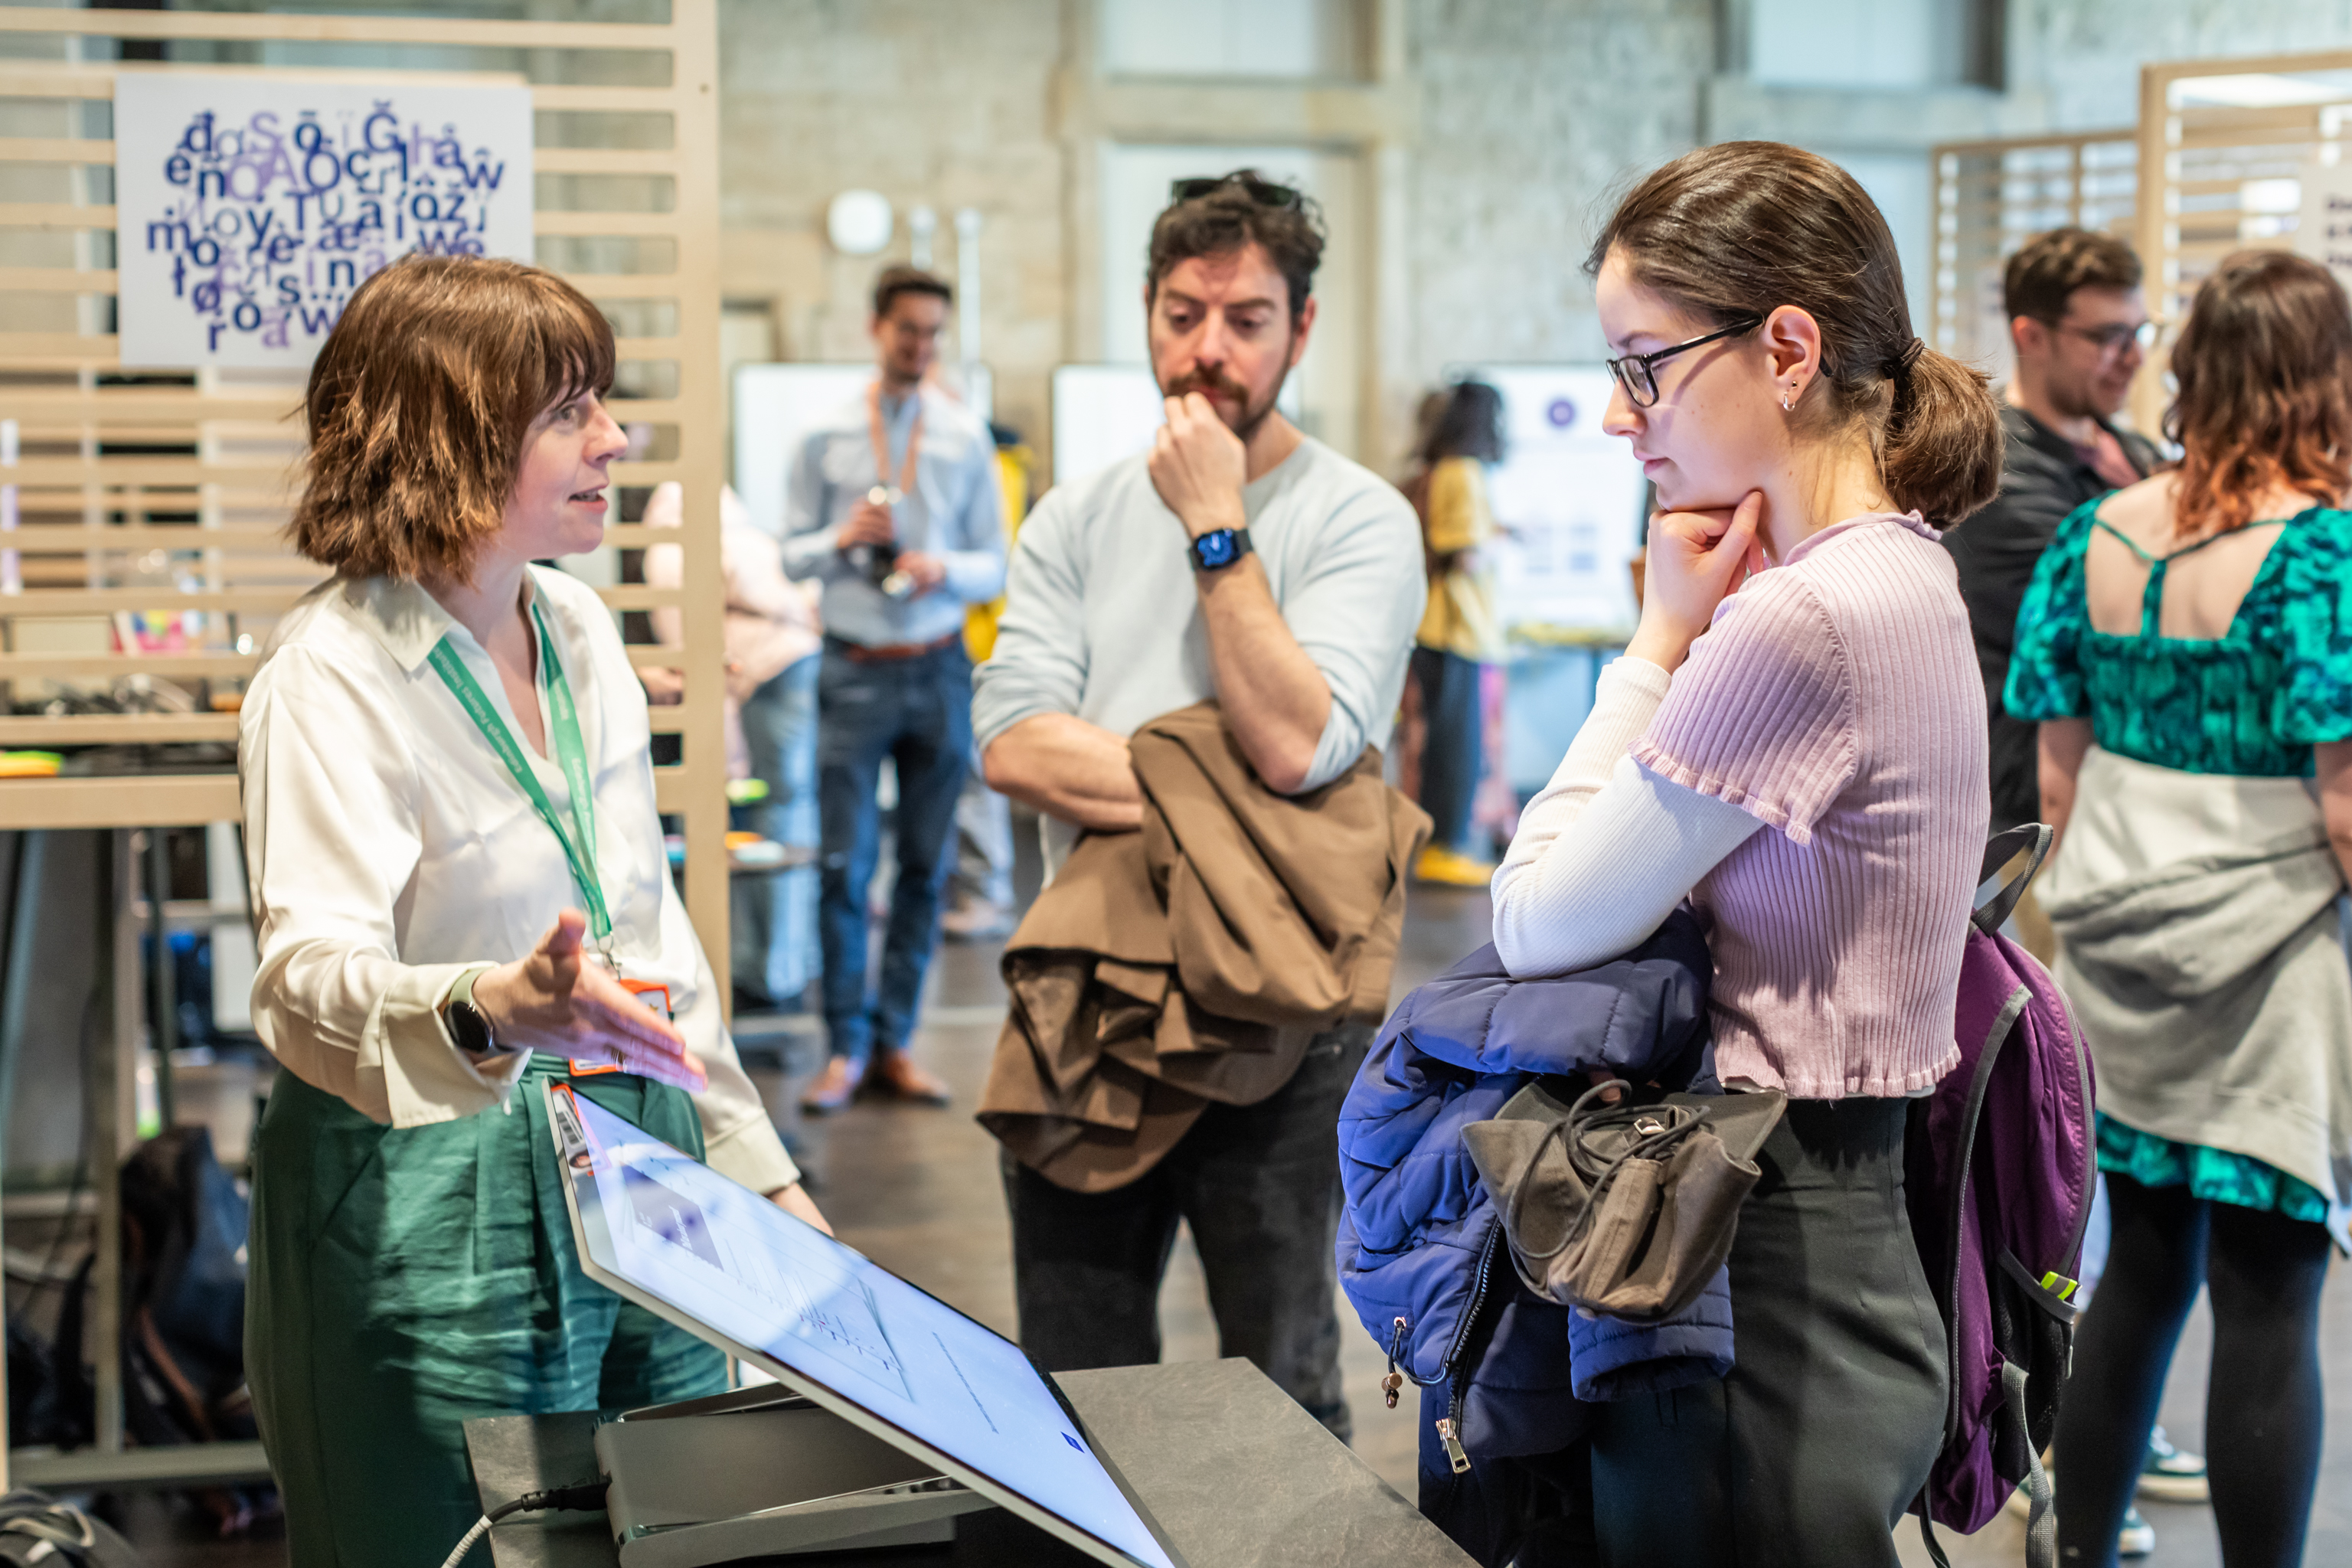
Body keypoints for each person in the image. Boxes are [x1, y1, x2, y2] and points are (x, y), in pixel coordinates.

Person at [237, 255, 828, 1568]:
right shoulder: (327, 674)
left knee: (674, 1521)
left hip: (641, 1146)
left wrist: (763, 1172)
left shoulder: (579, 630)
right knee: (450, 1536)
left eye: (601, 402)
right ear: (442, 433)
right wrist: (488, 1003)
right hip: (431, 1189)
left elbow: (650, 943)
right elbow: (299, 979)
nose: (614, 439)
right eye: (568, 410)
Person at [1490, 142, 2002, 1563]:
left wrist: (1654, 639)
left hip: (1758, 1250)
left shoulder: (1798, 619)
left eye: (1646, 363)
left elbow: (1537, 915)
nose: (1617, 412)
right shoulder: (1900, 566)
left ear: (1785, 346)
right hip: (1829, 1221)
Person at [972, 169, 1424, 1437]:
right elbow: (1010, 740)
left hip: (1279, 1016)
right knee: (1071, 1390)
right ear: (1146, 311)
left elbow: (1293, 744)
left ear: (1303, 328)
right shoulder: (1074, 513)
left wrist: (1218, 525)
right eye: (1182, 313)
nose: (1206, 350)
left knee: (1280, 1393)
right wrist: (1231, 798)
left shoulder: (1357, 520)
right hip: (1088, 999)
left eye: (1245, 320)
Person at [2009, 248, 2352, 1568]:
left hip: (2111, 949)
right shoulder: (2319, 557)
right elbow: (2339, 811)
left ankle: (2074, 1550)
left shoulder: (2093, 532)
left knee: (2135, 1281)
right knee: (2270, 1300)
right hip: (2270, 971)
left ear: (2193, 367)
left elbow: (2055, 773)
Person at [782, 266, 1007, 1112]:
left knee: (926, 867)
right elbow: (788, 552)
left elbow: (997, 561)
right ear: (877, 328)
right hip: (851, 666)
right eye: (907, 329)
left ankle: (896, 1043)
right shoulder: (826, 433)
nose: (920, 345)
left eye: (933, 333)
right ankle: (842, 1046)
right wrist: (841, 538)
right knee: (844, 865)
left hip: (937, 665)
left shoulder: (963, 434)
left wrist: (942, 565)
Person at [1943, 226, 2158, 845]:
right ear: (2029, 336)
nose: (2135, 356)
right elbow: (2122, 617)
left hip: (2120, 780)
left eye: (2139, 331)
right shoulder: (1994, 474)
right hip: (2039, 806)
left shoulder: (2132, 449)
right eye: (2108, 337)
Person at [639, 481, 823, 1008]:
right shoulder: (748, 537)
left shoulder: (671, 552)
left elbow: (698, 662)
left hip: (758, 683)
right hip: (791, 670)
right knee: (786, 815)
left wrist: (725, 753)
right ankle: (786, 960)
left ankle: (759, 967)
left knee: (758, 821)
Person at [1403, 379, 1509, 887]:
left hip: (1442, 629)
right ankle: (1444, 848)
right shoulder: (1463, 471)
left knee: (1446, 745)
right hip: (1456, 629)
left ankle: (1439, 845)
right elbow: (1463, 551)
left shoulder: (1441, 467)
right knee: (1457, 747)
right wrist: (1495, 544)